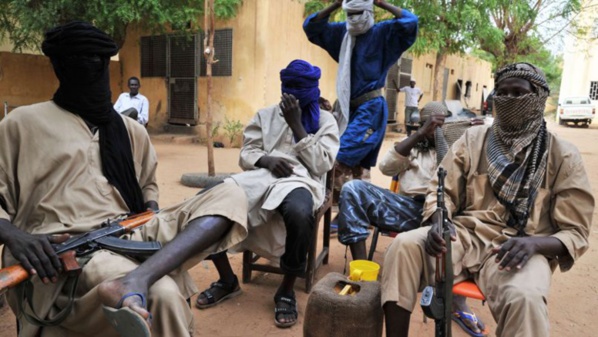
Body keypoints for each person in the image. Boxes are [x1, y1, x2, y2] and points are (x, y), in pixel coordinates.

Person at [0, 22, 248, 337]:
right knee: (165, 296)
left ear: (106, 66)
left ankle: (136, 279)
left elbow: (148, 191)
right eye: (79, 64)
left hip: (128, 230)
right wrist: (14, 236)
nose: (90, 72)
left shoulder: (131, 131)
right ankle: (137, 281)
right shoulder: (20, 124)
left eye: (96, 63)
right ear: (59, 68)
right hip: (73, 246)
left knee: (231, 195)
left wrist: (152, 212)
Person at [382, 62, 594, 337]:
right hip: (464, 237)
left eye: (518, 93)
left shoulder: (563, 156)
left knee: (526, 299)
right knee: (403, 246)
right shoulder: (473, 139)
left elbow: (575, 232)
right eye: (502, 93)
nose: (508, 100)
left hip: (520, 250)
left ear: (539, 97)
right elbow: (442, 190)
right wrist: (438, 221)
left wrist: (533, 244)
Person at [194, 60, 340, 329]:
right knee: (207, 200)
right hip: (260, 177)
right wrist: (266, 160)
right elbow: (246, 153)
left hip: (301, 181)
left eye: (300, 87)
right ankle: (227, 279)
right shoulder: (265, 115)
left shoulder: (325, 120)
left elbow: (321, 165)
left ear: (313, 88)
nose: (293, 94)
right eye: (289, 87)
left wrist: (298, 126)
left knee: (299, 212)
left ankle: (286, 289)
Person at [338, 101, 487, 336]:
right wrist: (419, 135)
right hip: (408, 208)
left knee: (455, 233)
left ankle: (457, 305)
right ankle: (365, 277)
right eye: (429, 123)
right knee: (353, 189)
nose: (436, 128)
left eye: (442, 122)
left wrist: (478, 134)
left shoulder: (460, 146)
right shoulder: (413, 148)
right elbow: (386, 167)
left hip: (448, 214)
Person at [303, 0, 418, 188]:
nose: (354, 19)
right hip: (347, 109)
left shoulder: (383, 33)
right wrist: (336, 4)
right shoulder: (342, 33)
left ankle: (321, 198)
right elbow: (311, 27)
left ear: (369, 12)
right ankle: (354, 204)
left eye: (359, 13)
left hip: (370, 109)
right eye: (350, 14)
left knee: (338, 159)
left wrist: (381, 3)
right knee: (357, 169)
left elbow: (410, 21)